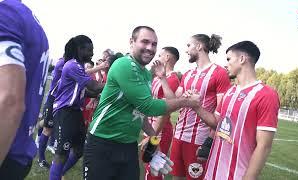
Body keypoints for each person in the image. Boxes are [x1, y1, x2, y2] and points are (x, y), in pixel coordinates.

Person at [83, 26, 199, 180]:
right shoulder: (124, 65)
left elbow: (139, 111)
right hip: (103, 142)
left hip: (129, 145)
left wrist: (153, 139)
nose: (150, 48)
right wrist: (187, 102)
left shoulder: (145, 73)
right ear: (132, 42)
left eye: (154, 44)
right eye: (145, 42)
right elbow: (149, 107)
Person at [188, 41, 280, 180]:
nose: (226, 64)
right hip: (212, 172)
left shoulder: (266, 95)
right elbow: (215, 123)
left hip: (236, 175)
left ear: (242, 59)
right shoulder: (230, 91)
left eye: (229, 59)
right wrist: (196, 106)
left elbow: (264, 146)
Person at [168, 34, 230, 180]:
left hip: (199, 141)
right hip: (178, 136)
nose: (186, 50)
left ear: (199, 46)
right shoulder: (188, 74)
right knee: (176, 177)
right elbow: (173, 101)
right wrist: (164, 80)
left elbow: (223, 112)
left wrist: (209, 142)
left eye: (189, 45)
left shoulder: (219, 73)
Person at [0, 0, 49, 179]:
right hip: (18, 151)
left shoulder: (5, 14)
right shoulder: (28, 20)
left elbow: (10, 100)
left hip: (7, 150)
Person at [49, 35, 105, 180]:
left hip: (75, 112)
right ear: (80, 49)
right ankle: (55, 174)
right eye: (90, 50)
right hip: (64, 112)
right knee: (61, 154)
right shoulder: (72, 65)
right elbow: (93, 86)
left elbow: (84, 91)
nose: (92, 54)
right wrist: (115, 84)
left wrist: (97, 95)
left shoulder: (78, 66)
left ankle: (59, 174)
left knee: (79, 150)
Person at [143, 46, 181, 180]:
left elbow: (166, 110)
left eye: (160, 55)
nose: (157, 58)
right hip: (151, 128)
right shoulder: (157, 77)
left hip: (160, 130)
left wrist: (152, 135)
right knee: (150, 165)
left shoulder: (172, 79)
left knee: (155, 168)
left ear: (167, 58)